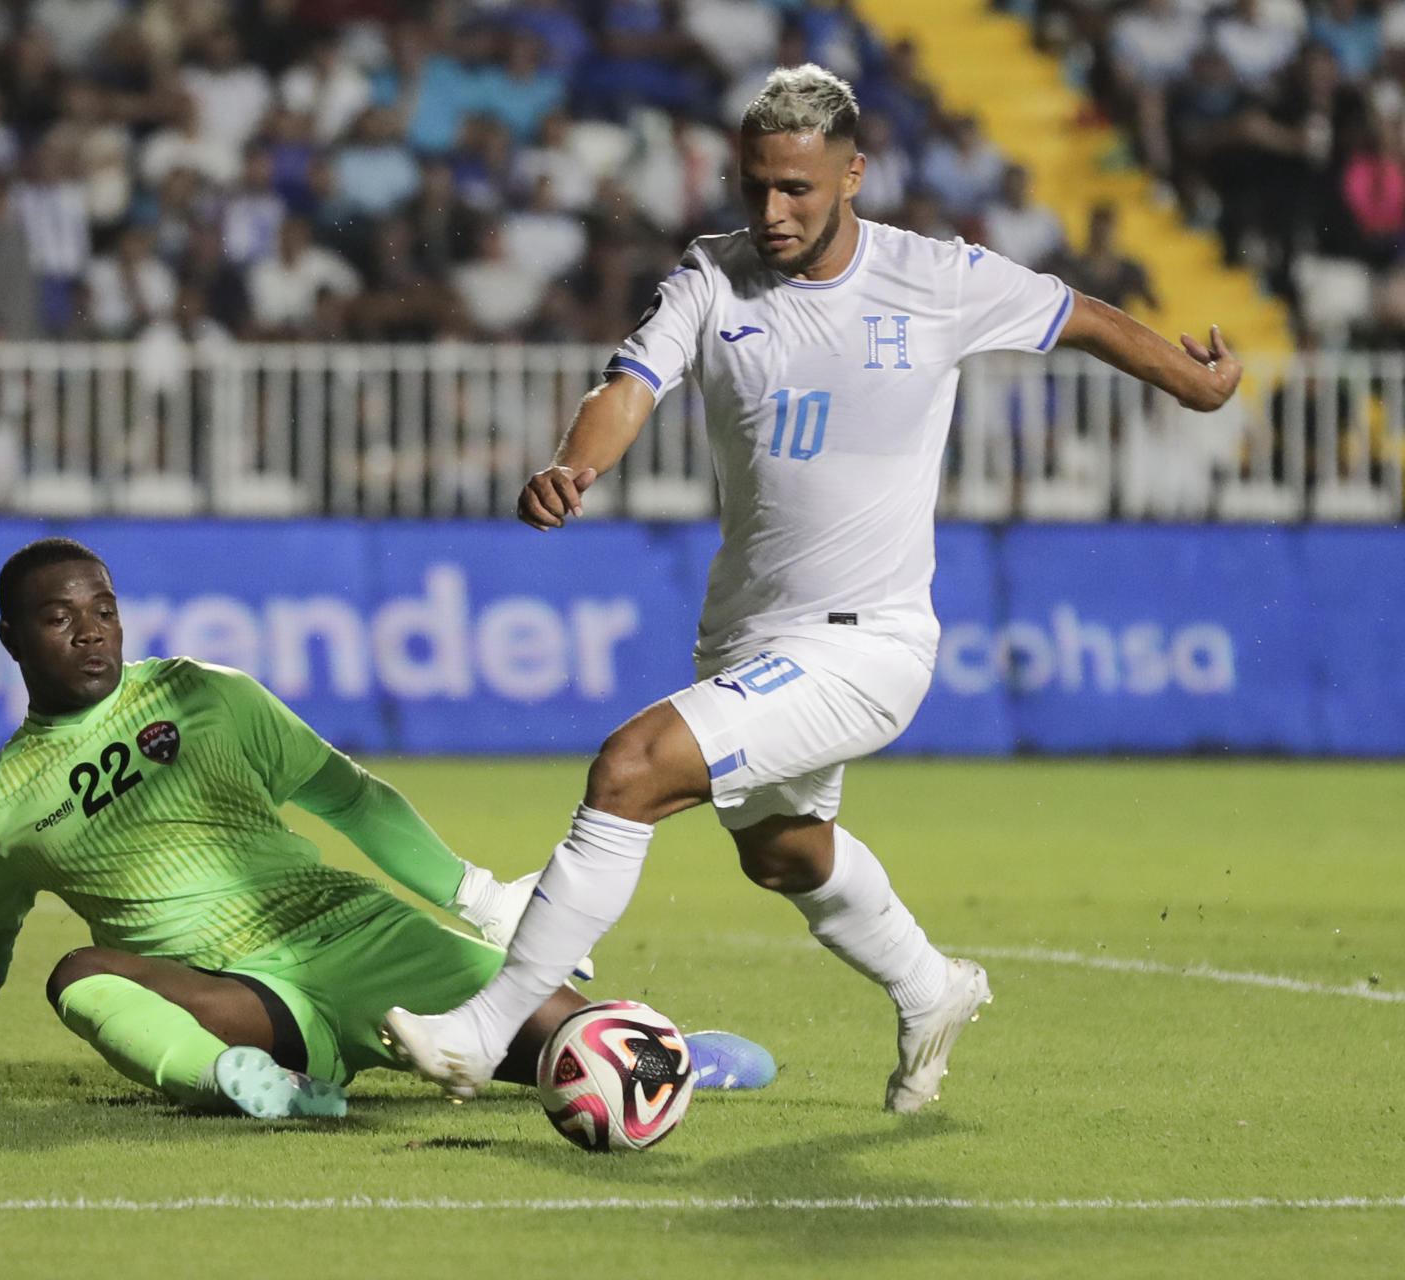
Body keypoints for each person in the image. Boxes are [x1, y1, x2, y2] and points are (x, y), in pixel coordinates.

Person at [382, 64, 1242, 1114]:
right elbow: (630, 386)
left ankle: (488, 1027)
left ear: (853, 174)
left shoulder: (937, 277)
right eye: (756, 188)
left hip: (870, 641)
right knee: (785, 857)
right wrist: (578, 465)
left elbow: (1083, 317)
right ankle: (932, 987)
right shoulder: (711, 275)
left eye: (796, 188)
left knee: (631, 767)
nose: (773, 211)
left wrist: (1192, 381)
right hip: (749, 638)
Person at [0, 539, 771, 1117]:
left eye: (104, 610)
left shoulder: (204, 693)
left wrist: (475, 895)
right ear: (11, 639)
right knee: (79, 975)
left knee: (582, 1043)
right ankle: (256, 1089)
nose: (90, 633)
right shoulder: (2, 804)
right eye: (57, 618)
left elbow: (349, 797)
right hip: (235, 998)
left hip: (355, 935)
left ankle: (673, 1053)